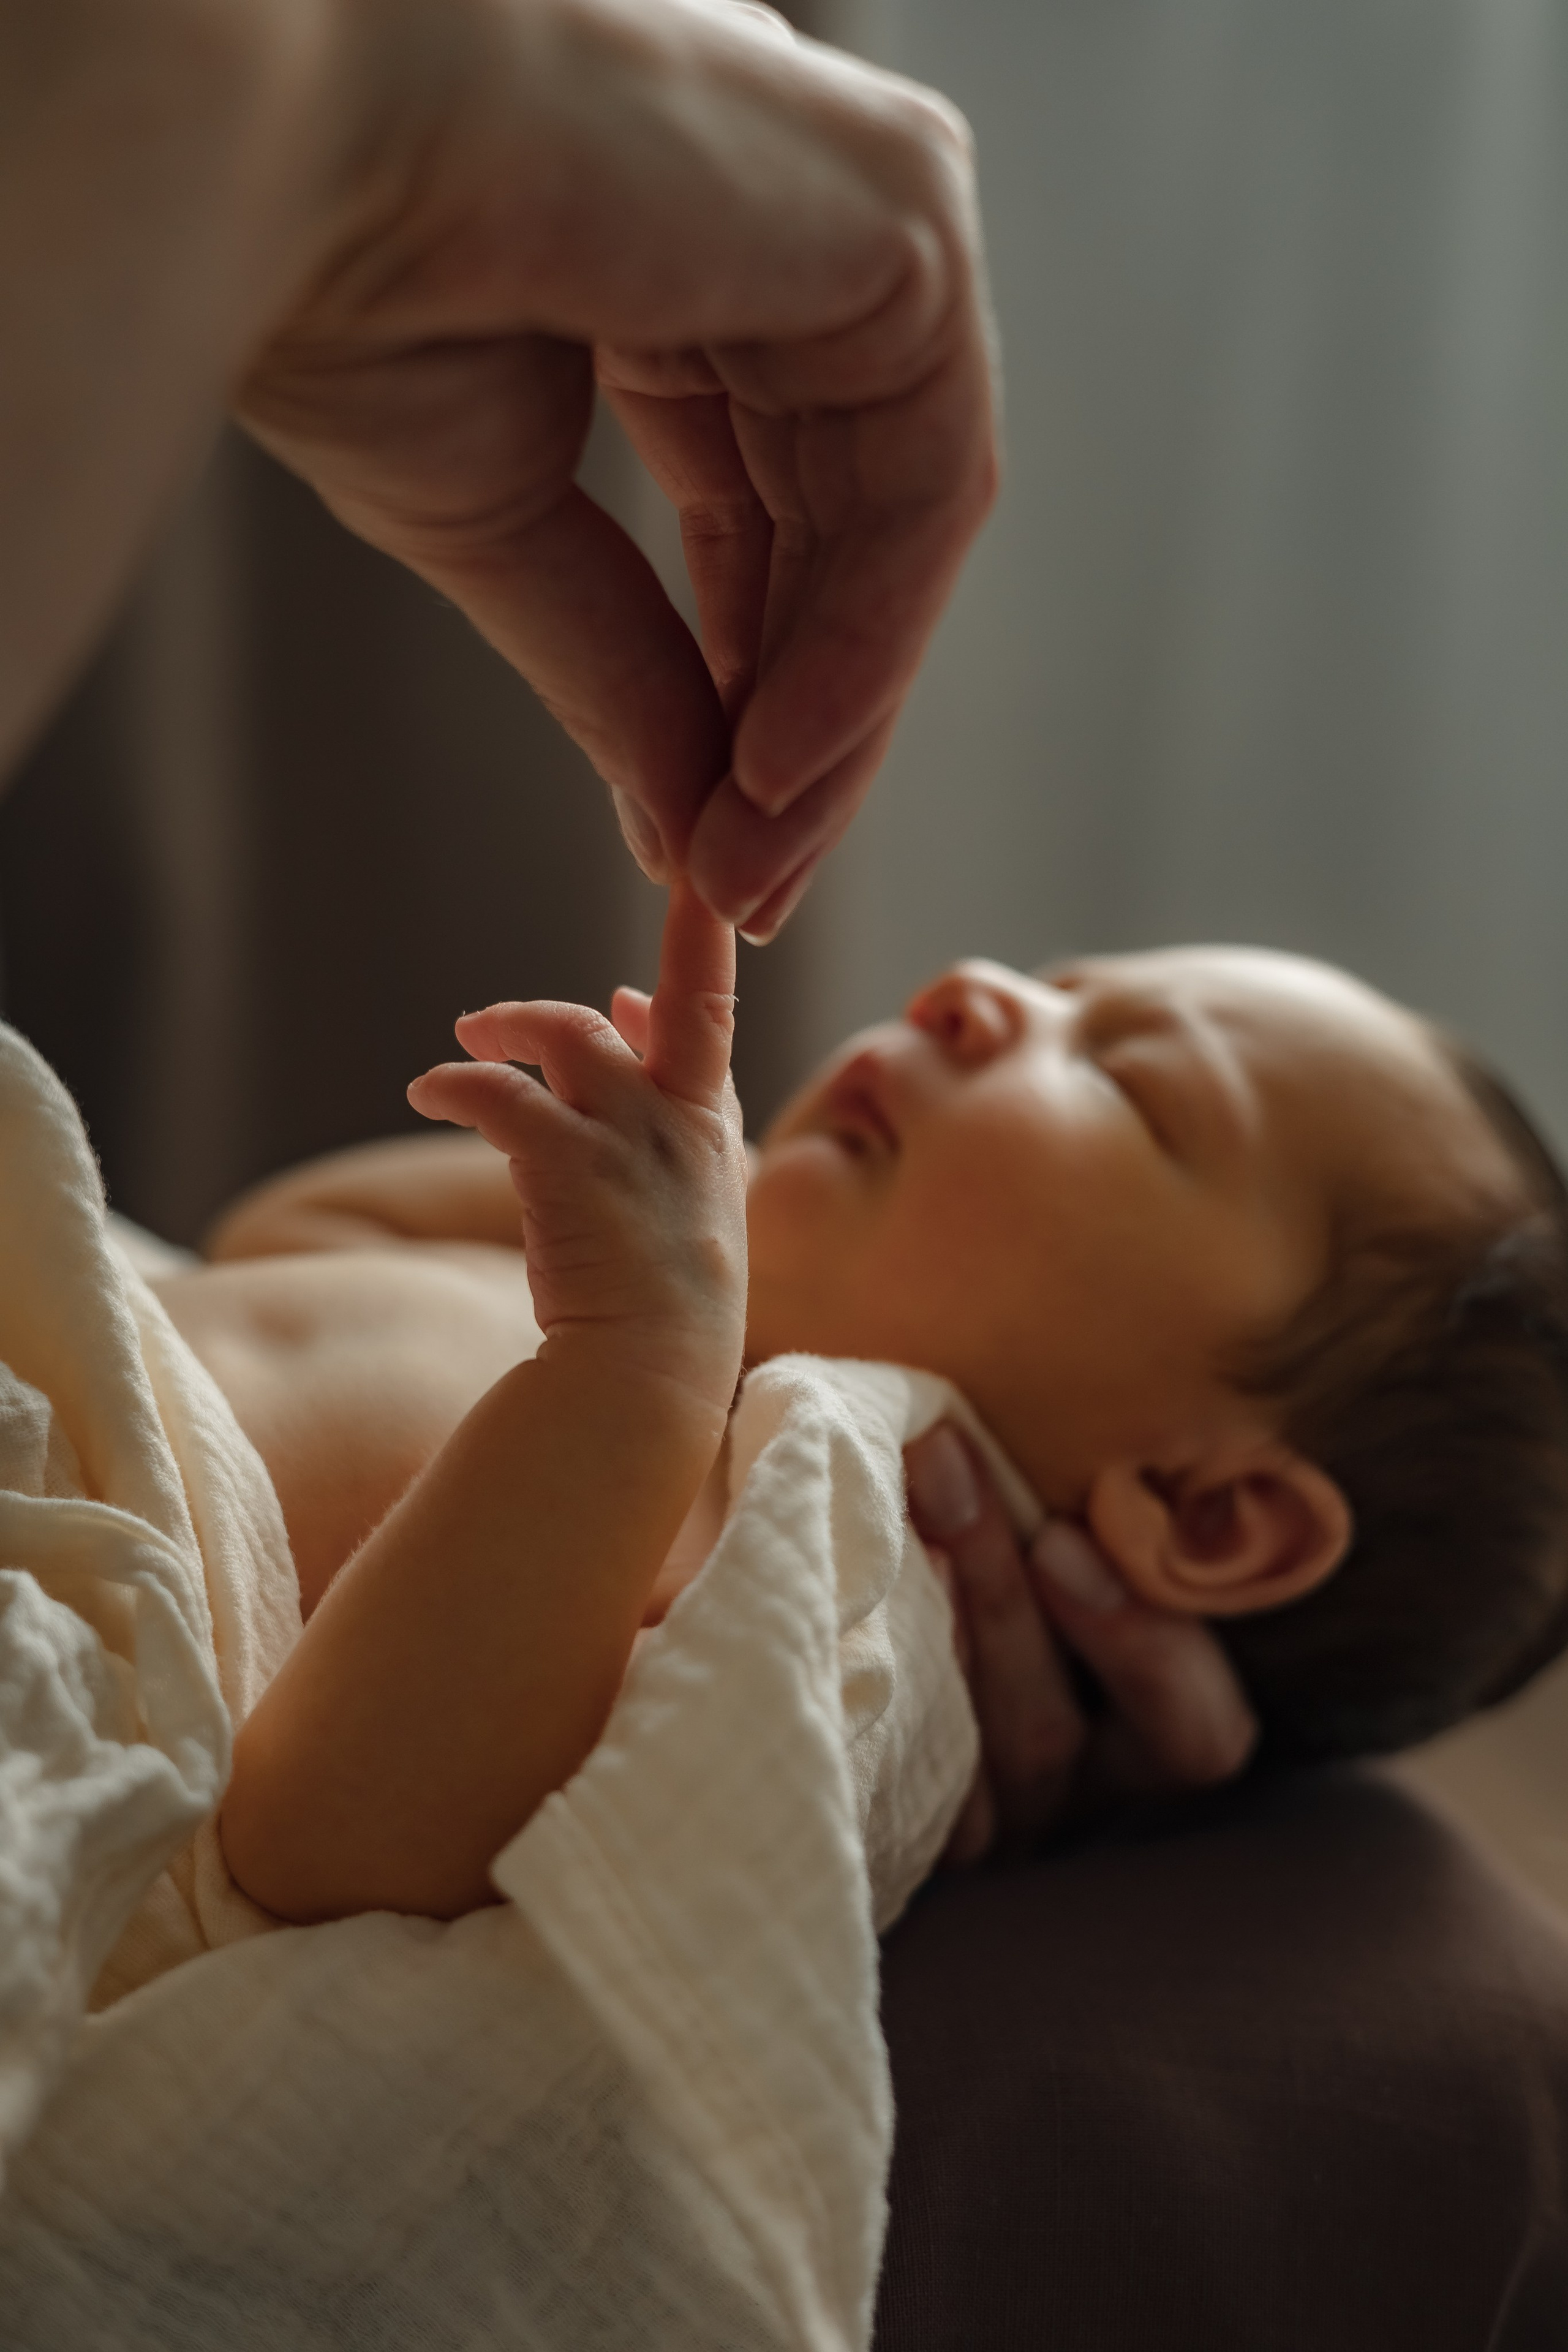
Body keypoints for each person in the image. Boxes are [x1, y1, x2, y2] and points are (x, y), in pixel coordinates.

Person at [147, 884, 1568, 1924]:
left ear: (1205, 1509)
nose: (971, 983)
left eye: (1125, 1084)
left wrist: (633, 1363)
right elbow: (272, 1246)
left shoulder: (820, 1589)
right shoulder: (672, 1324)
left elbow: (330, 1844)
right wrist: (666, 1221)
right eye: (1062, 978)